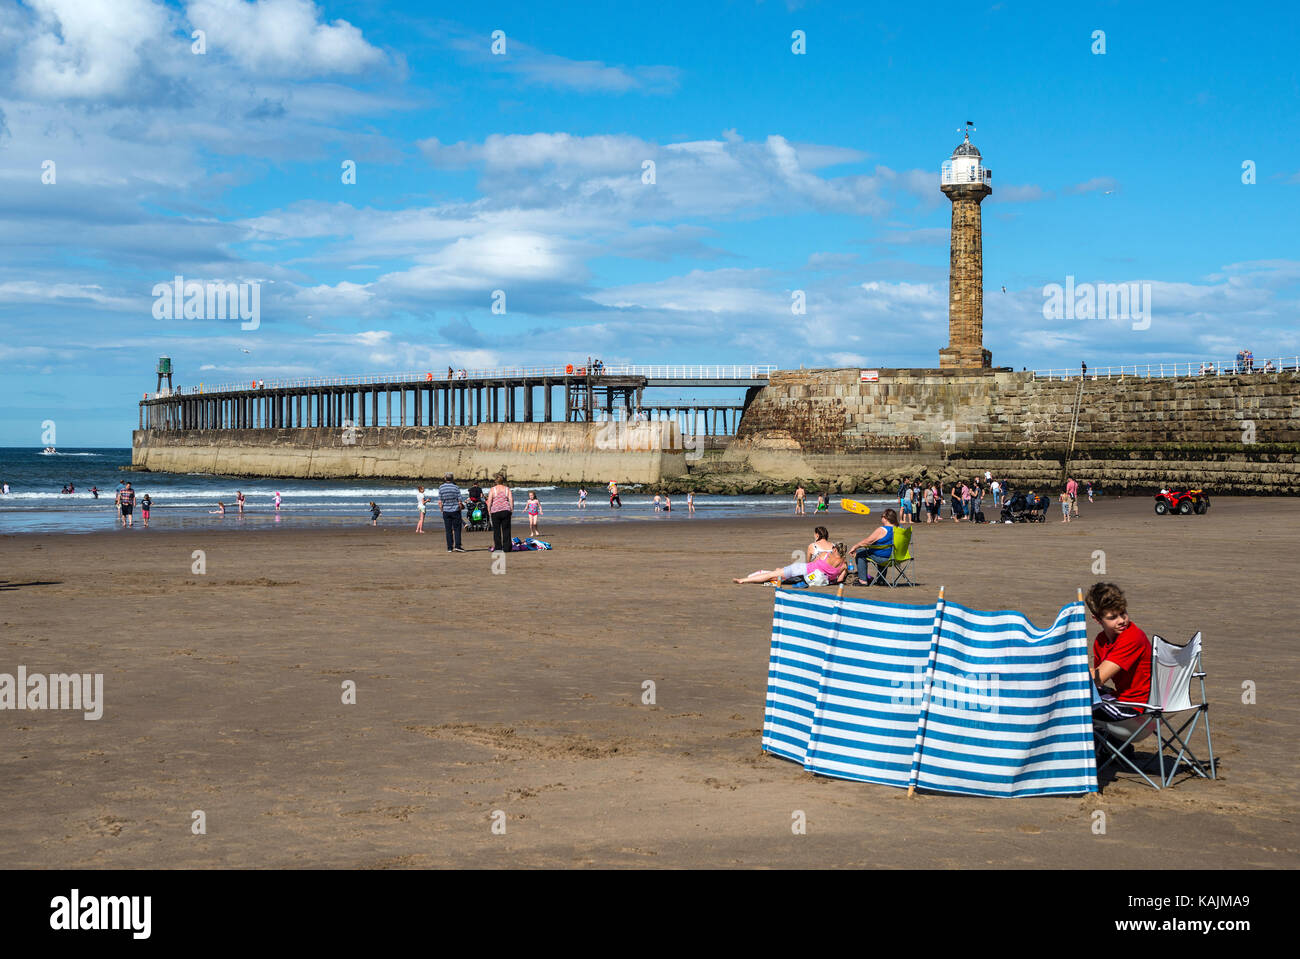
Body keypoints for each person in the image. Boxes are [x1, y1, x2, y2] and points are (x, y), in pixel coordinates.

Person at [1086, 582, 1152, 723]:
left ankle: (1103, 744)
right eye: (1113, 617)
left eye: (1123, 613)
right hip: (1121, 698)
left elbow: (1098, 678)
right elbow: (1097, 681)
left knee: (1079, 702)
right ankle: (1107, 744)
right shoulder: (1101, 640)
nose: (1122, 621)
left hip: (1138, 708)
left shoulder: (1132, 637)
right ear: (1097, 619)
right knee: (1084, 693)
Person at [734, 526, 846, 585]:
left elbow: (809, 563)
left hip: (804, 570)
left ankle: (743, 580)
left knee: (774, 574)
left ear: (835, 549)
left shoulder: (824, 555)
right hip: (811, 578)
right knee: (778, 576)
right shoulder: (844, 566)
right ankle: (766, 575)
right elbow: (839, 579)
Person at [849, 509, 897, 586]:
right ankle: (881, 580)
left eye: (882, 516)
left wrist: (855, 546)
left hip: (883, 559)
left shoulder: (883, 530)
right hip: (896, 558)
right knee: (883, 550)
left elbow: (868, 541)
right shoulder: (900, 529)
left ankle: (863, 581)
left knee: (860, 553)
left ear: (885, 518)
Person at [438, 472, 466, 552]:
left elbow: (440, 501)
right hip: (455, 510)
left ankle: (449, 547)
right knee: (457, 529)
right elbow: (460, 500)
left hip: (446, 511)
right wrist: (461, 508)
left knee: (448, 530)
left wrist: (441, 509)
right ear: (452, 479)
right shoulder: (456, 487)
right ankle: (457, 546)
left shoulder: (441, 487)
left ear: (445, 478)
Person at [488, 474, 514, 552]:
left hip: (495, 511)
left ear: (496, 481)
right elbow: (511, 500)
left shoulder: (493, 489)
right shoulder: (507, 489)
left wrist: (489, 510)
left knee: (496, 530)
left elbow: (489, 501)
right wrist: (511, 509)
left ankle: (498, 547)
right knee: (506, 530)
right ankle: (507, 548)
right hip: (506, 510)